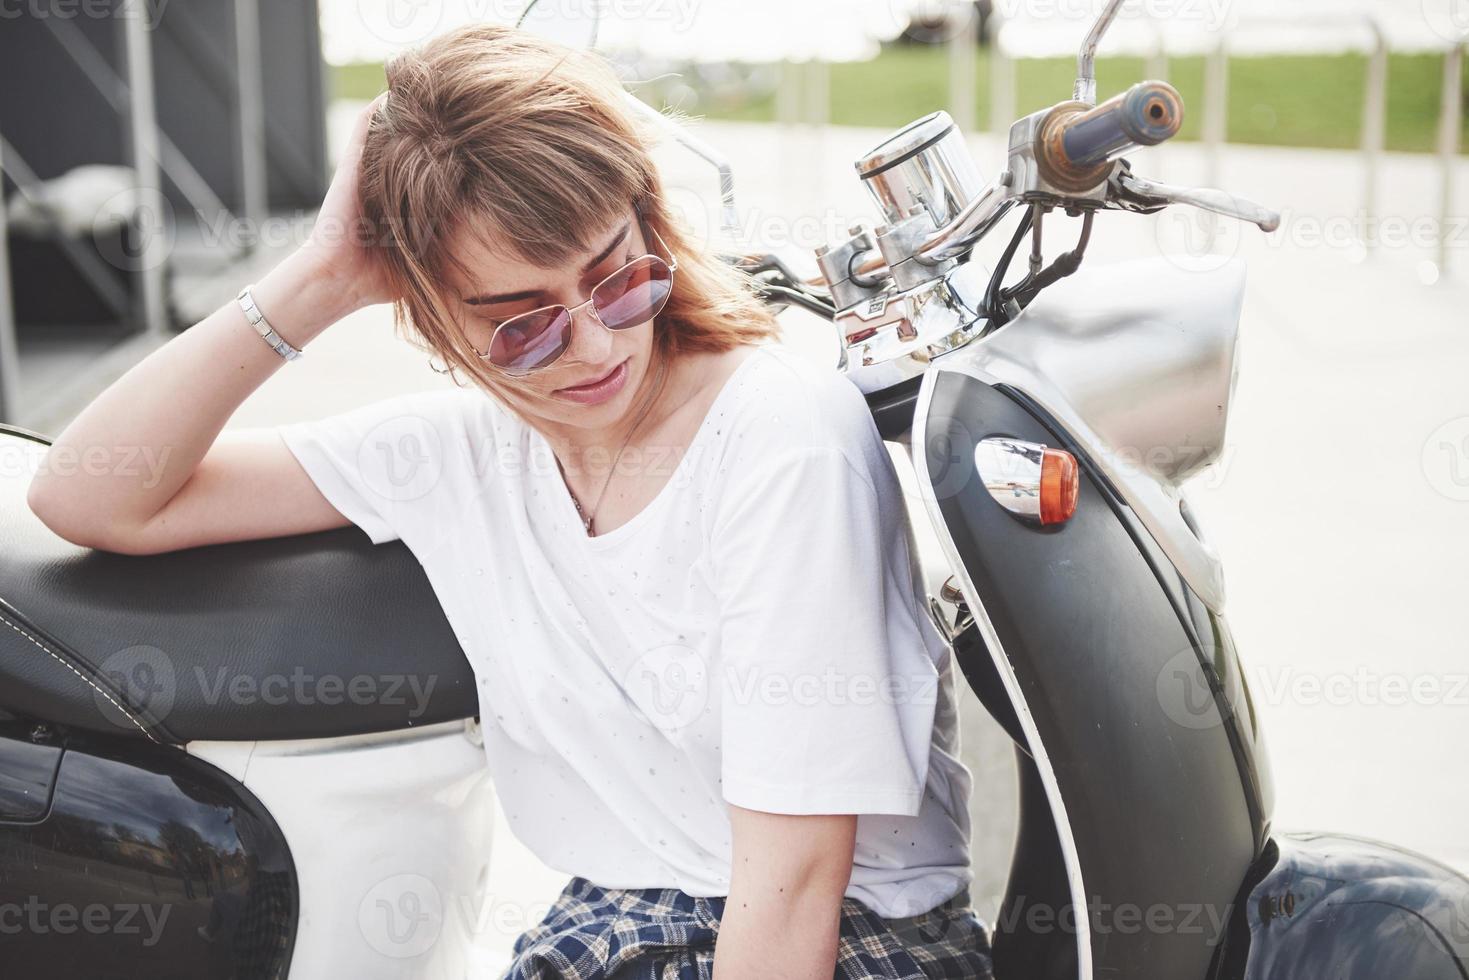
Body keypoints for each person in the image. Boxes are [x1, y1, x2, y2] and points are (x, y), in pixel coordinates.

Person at [26, 23, 992, 979]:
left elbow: (793, 891)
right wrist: (320, 279)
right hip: (604, 929)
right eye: (520, 324)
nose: (597, 346)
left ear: (650, 224)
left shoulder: (779, 440)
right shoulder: (460, 457)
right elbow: (94, 495)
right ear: (433, 313)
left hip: (845, 941)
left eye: (619, 279)